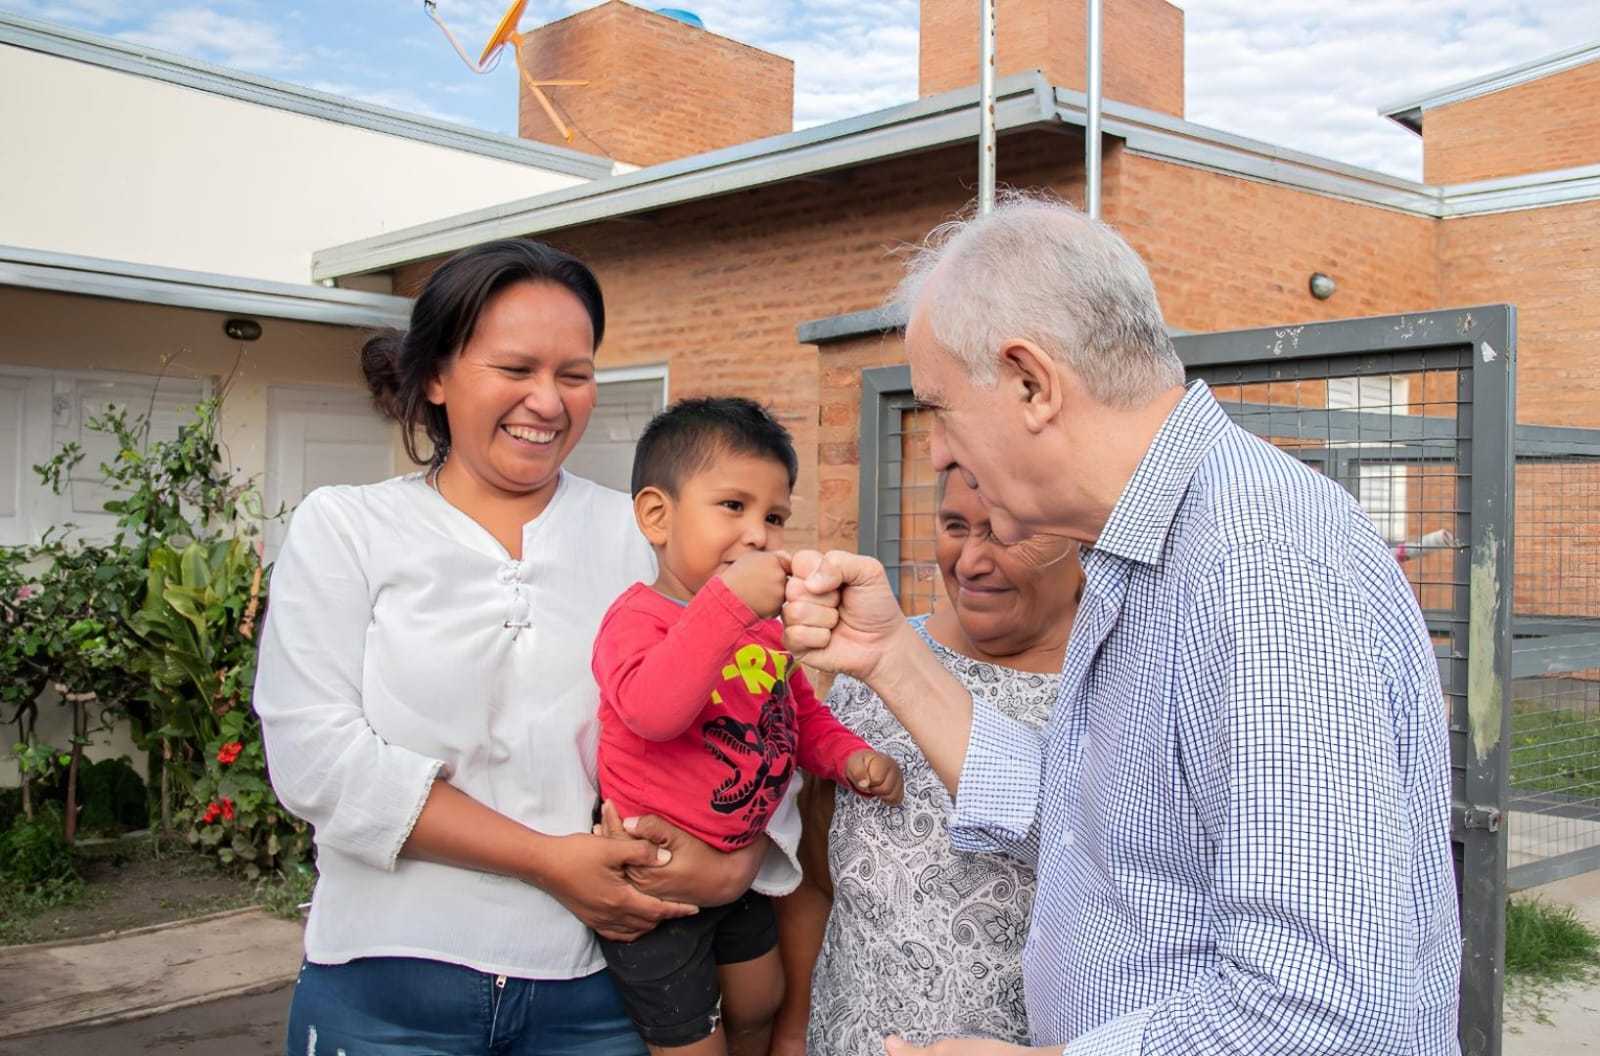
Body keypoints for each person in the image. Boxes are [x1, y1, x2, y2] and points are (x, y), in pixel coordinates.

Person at [780, 193, 1461, 1056]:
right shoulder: (1143, 549)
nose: (942, 452)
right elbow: (1092, 828)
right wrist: (890, 656)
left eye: (941, 408)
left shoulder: (1263, 569)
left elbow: (1323, 1005)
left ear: (1031, 384)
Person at [254, 240, 800, 1056]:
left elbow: (759, 711)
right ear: (436, 376)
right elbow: (317, 761)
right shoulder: (347, 528)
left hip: (601, 991)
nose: (547, 402)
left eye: (574, 374)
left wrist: (730, 866)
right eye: (516, 369)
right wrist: (549, 861)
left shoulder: (645, 535)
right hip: (387, 984)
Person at [592, 396, 904, 1056]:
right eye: (733, 507)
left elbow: (799, 719)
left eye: (775, 516)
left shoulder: (762, 633)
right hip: (659, 897)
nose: (759, 534)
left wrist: (848, 758)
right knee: (693, 1042)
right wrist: (727, 602)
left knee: (762, 1003)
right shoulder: (636, 621)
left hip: (741, 875)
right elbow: (654, 711)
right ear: (657, 515)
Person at [771, 469, 1081, 1056]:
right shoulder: (868, 664)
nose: (970, 562)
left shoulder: (1115, 696)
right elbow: (815, 877)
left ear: (1081, 539)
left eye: (1005, 534)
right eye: (955, 527)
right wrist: (794, 1030)